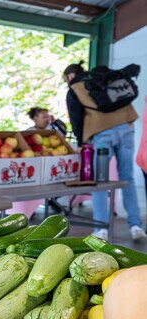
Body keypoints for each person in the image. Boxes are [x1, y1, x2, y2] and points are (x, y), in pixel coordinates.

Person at [64, 61, 146, 241]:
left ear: (69, 76)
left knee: (98, 181)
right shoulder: (107, 77)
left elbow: (76, 119)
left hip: (101, 134)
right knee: (127, 178)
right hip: (126, 128)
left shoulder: (75, 89)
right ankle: (135, 226)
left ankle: (100, 229)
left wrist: (81, 141)